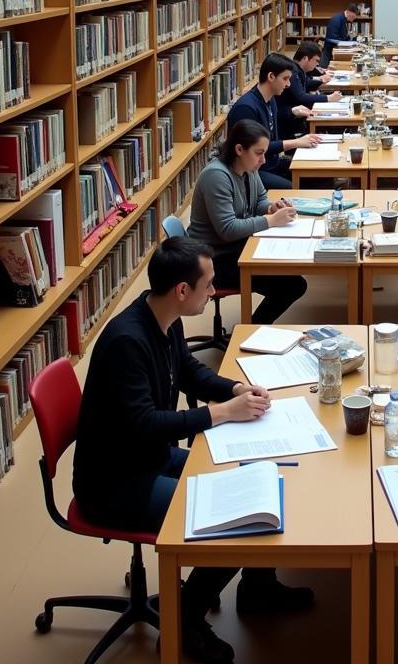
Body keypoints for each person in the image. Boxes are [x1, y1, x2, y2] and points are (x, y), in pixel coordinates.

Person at [73, 238, 314, 664]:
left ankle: (258, 590)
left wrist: (234, 389)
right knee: (235, 517)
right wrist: (221, 414)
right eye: (208, 285)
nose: (213, 290)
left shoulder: (165, 317)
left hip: (149, 458)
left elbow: (188, 371)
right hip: (117, 482)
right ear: (182, 291)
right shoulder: (128, 342)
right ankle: (185, 618)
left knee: (254, 476)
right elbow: (143, 424)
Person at [188, 119, 308, 323]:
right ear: (239, 149)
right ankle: (248, 334)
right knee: (292, 285)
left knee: (287, 270)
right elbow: (228, 228)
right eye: (259, 153)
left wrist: (272, 207)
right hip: (212, 259)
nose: (263, 160)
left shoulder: (248, 169)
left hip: (235, 247)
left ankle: (252, 330)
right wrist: (270, 220)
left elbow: (260, 198)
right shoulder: (216, 176)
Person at [227, 52, 321, 189]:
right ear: (271, 76)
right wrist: (296, 142)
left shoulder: (271, 99)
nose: (288, 84)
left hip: (272, 162)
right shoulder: (246, 108)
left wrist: (292, 114)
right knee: (290, 187)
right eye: (285, 79)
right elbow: (254, 149)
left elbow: (273, 135)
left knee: (313, 173)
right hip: (253, 170)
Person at [279, 40, 343, 138]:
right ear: (305, 58)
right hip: (291, 124)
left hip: (297, 118)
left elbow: (307, 83)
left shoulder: (298, 70)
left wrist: (321, 81)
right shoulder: (292, 72)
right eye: (316, 61)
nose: (316, 64)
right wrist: (328, 98)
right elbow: (300, 97)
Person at [321, 2, 359, 67]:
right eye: (352, 17)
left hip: (336, 50)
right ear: (347, 12)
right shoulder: (336, 19)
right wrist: (346, 43)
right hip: (331, 52)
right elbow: (331, 39)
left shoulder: (342, 19)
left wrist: (352, 39)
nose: (352, 20)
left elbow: (342, 35)